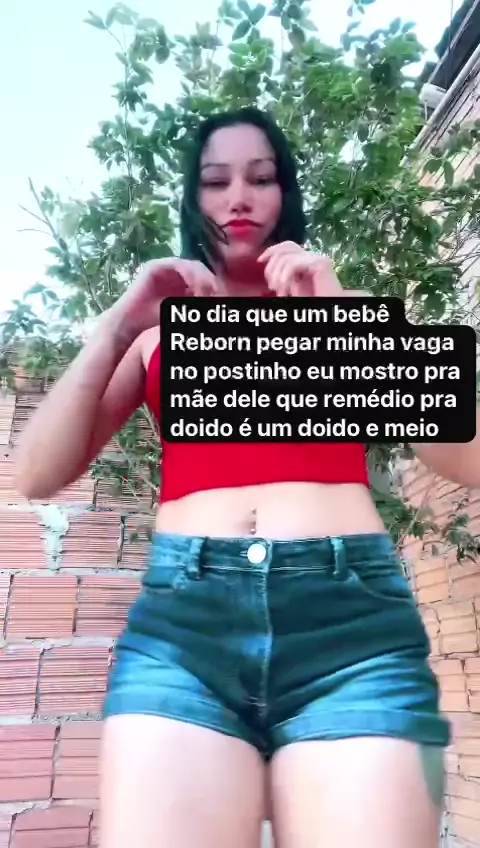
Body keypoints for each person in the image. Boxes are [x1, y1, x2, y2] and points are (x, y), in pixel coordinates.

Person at [14, 106, 480, 848]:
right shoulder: (158, 336)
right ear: (192, 198)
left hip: (351, 629)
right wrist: (118, 323)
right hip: (185, 632)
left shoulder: (345, 312)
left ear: (285, 194)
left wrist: (344, 318)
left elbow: (468, 460)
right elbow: (35, 473)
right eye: (215, 180)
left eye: (260, 178)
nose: (238, 197)